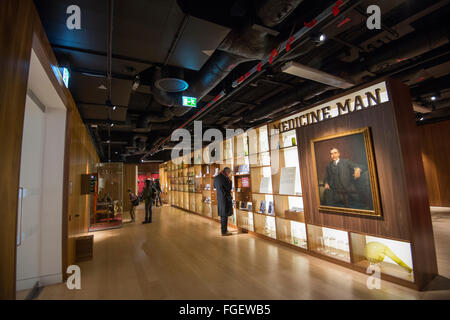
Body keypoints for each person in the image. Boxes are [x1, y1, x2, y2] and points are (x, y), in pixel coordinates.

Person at [213, 167, 233, 236]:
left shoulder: (216, 177)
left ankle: (224, 229)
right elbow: (229, 188)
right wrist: (230, 181)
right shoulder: (225, 178)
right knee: (225, 215)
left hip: (219, 198)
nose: (230, 175)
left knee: (222, 215)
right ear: (227, 172)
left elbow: (215, 187)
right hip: (225, 198)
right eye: (230, 173)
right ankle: (224, 232)